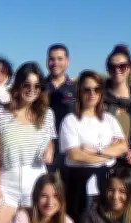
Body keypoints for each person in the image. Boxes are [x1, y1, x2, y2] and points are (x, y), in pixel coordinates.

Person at [0, 62, 56, 223]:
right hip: (7, 183)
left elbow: (49, 142)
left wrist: (50, 150)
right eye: (27, 84)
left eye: (37, 86)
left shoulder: (47, 114)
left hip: (36, 182)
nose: (32, 89)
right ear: (18, 86)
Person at [59, 70, 128, 223]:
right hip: (80, 185)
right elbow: (75, 155)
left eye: (96, 89)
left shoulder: (109, 119)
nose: (92, 93)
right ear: (79, 92)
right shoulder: (70, 121)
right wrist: (110, 154)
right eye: (87, 89)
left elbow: (123, 146)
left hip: (106, 184)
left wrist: (98, 150)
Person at [45, 43, 76, 172]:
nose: (55, 63)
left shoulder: (77, 89)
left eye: (60, 59)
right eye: (52, 59)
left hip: (70, 149)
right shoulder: (38, 87)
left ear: (67, 61)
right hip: (43, 149)